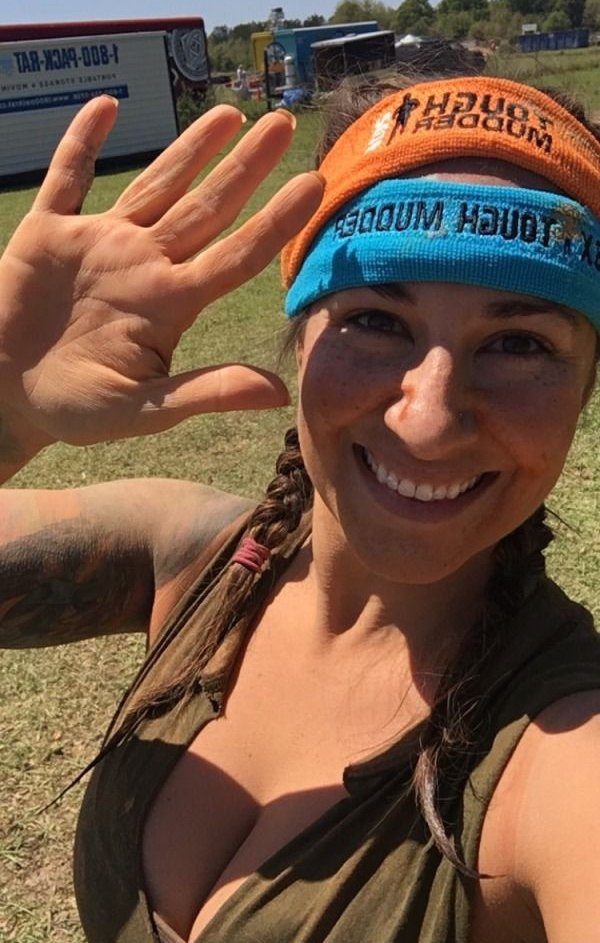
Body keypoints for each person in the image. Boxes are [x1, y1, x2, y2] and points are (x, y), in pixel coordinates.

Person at [0, 75, 599, 943]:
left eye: (519, 343)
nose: (428, 420)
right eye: (376, 321)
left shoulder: (568, 749)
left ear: (585, 388)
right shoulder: (192, 559)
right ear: (301, 333)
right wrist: (6, 408)